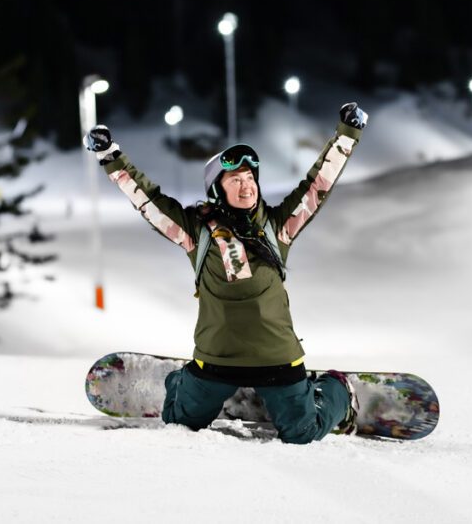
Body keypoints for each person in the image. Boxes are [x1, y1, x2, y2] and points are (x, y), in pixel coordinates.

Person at [84, 102, 368, 443]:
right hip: (216, 359)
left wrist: (346, 134)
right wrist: (111, 156)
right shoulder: (196, 232)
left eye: (250, 179)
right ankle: (183, 381)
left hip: (277, 358)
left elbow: (317, 184)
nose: (247, 186)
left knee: (302, 432)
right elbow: (149, 200)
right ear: (218, 188)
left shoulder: (279, 227)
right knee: (179, 421)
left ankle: (336, 389)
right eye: (236, 179)